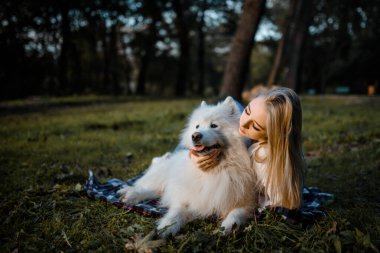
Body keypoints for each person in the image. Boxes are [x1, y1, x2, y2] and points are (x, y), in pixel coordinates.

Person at [191, 87, 305, 210]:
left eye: (255, 127)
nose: (243, 122)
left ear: (272, 136)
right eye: (247, 111)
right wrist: (193, 155)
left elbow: (280, 203)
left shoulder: (263, 156)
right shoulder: (243, 118)